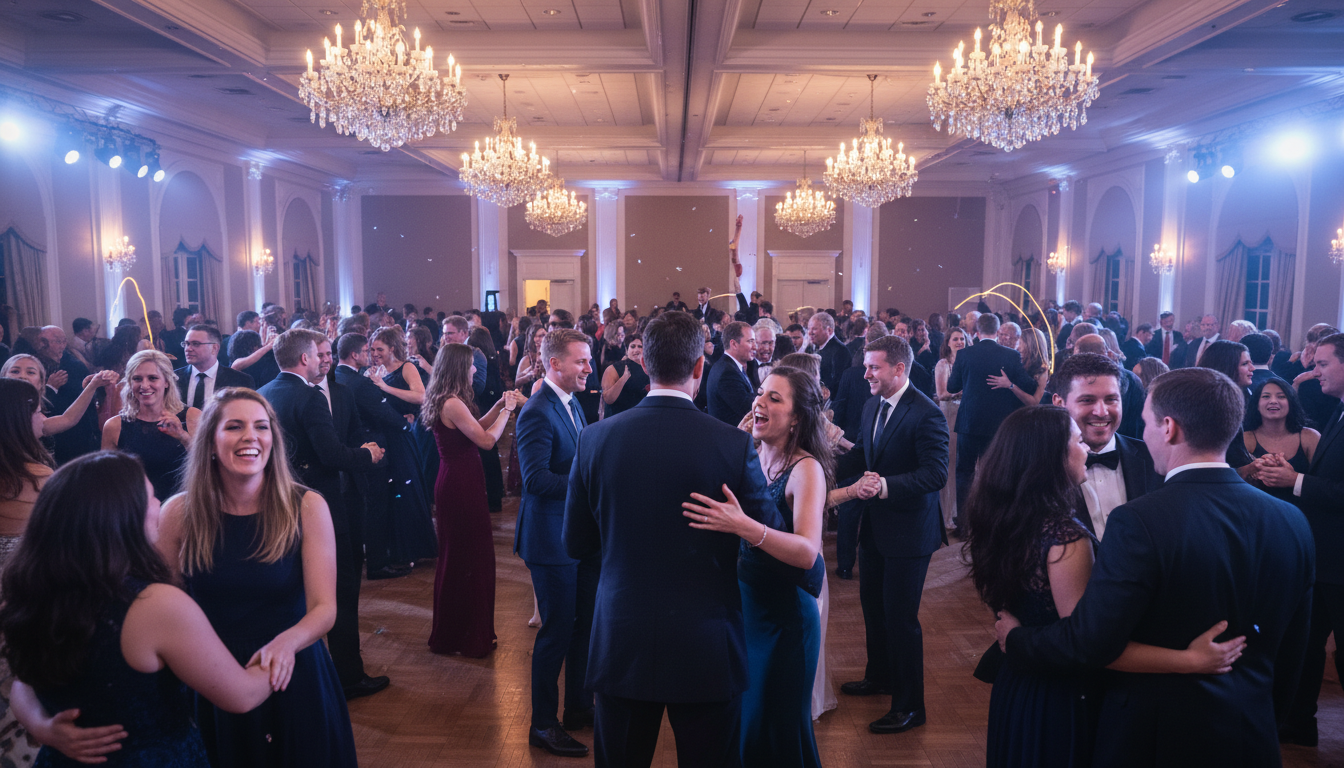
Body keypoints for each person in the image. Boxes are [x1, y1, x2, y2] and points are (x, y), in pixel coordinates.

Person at [997, 367, 1315, 767]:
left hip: (1153, 736)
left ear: (1168, 428)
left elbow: (1092, 641)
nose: (1141, 433)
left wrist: (1018, 639)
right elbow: (1293, 651)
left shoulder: (1138, 521)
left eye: (1144, 422)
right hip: (1252, 732)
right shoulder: (1293, 521)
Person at [563, 310, 784, 767]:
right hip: (706, 638)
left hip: (622, 633)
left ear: (645, 365)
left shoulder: (595, 439)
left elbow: (576, 543)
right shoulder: (732, 444)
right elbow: (768, 535)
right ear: (699, 366)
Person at [966, 405, 1242, 768]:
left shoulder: (1004, 520)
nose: (1086, 448)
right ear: (1050, 457)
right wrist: (1190, 660)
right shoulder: (1064, 537)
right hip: (1060, 696)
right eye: (1078, 440)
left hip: (1019, 685)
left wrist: (1017, 639)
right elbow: (1085, 645)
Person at [2, 451, 278, 767]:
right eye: (149, 498)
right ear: (121, 519)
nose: (159, 504)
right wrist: (288, 649)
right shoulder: (155, 605)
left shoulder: (33, 593)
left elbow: (23, 683)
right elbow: (240, 696)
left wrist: (43, 726)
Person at [154, 388, 359, 766]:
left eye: (261, 427)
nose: (251, 436)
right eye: (235, 426)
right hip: (210, 673)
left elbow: (324, 608)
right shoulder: (179, 513)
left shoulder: (307, 506)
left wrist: (286, 643)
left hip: (291, 669)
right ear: (211, 443)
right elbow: (164, 609)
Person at [686, 365, 830, 766]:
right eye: (760, 392)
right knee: (748, 726)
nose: (759, 402)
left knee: (777, 728)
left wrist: (746, 527)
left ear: (797, 416)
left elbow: (807, 552)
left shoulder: (806, 470)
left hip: (785, 621)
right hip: (746, 613)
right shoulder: (751, 451)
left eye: (774, 398)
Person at [257, 330, 387, 702]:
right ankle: (348, 675)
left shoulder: (266, 392)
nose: (321, 361)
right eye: (317, 355)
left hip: (282, 503)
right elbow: (330, 455)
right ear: (303, 360)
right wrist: (368, 456)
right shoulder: (309, 396)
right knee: (340, 590)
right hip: (320, 505)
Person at [833, 335, 949, 735]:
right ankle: (879, 676)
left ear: (899, 369)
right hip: (876, 528)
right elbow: (862, 454)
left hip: (910, 533)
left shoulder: (926, 413)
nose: (865, 374)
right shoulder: (870, 405)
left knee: (901, 620)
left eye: (873, 367)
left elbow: (936, 474)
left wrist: (882, 486)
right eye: (866, 366)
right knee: (873, 608)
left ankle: (910, 706)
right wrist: (818, 459)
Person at [515, 329, 598, 758]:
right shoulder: (537, 411)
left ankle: (579, 706)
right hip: (549, 541)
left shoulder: (571, 404)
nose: (589, 368)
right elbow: (535, 480)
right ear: (555, 365)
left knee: (582, 625)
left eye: (588, 360)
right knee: (557, 633)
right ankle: (543, 724)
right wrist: (587, 486)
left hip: (572, 537)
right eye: (582, 361)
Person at [421, 343, 523, 657]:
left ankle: (459, 632)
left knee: (464, 558)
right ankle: (465, 636)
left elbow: (475, 427)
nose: (475, 370)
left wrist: (498, 405)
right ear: (458, 368)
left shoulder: (448, 400)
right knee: (469, 559)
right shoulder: (451, 403)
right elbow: (487, 440)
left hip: (460, 482)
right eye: (471, 365)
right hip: (459, 486)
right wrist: (507, 410)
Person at [1276, 333, 1344, 745]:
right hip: (1324, 558)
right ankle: (1298, 724)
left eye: (1322, 364)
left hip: (1341, 562)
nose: (1312, 371)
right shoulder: (1338, 410)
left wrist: (1296, 480)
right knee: (1305, 646)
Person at [333, 333, 419, 580]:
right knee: (376, 507)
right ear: (354, 354)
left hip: (349, 450)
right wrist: (404, 425)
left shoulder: (337, 377)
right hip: (372, 450)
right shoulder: (360, 383)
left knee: (360, 506)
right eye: (366, 350)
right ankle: (378, 563)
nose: (369, 354)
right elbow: (382, 411)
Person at [1049, 353, 1162, 539]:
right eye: (1087, 400)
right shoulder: (1040, 466)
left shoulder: (1154, 459)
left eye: (1111, 399)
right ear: (1059, 403)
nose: (1101, 412)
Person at [0, 380, 54, 764]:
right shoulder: (40, 479)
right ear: (19, 419)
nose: (43, 417)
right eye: (37, 411)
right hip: (25, 612)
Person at [947, 313, 1038, 531]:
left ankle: (965, 525)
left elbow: (951, 387)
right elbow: (1030, 386)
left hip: (969, 422)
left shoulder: (965, 354)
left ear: (976, 333)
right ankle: (992, 521)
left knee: (964, 473)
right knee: (996, 472)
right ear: (997, 332)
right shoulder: (1010, 355)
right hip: (998, 425)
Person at [365, 327, 438, 564]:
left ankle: (412, 547)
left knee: (405, 487)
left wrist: (384, 387)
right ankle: (392, 548)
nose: (375, 353)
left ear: (392, 349)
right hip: (384, 436)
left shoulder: (407, 367)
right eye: (373, 349)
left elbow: (421, 396)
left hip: (403, 436)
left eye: (379, 349)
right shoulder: (377, 370)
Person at [101, 350, 199, 501]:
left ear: (166, 381)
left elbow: (209, 466)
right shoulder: (114, 426)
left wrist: (183, 436)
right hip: (135, 512)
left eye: (153, 378)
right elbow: (107, 481)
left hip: (183, 509)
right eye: (137, 379)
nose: (144, 385)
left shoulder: (193, 417)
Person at [1242, 377, 1319, 503]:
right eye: (1266, 396)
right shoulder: (1245, 439)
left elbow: (1323, 483)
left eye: (1281, 396)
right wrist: (1251, 470)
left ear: (1291, 402)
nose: (1273, 401)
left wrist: (1292, 477)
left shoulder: (1310, 437)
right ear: (1256, 404)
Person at [934, 326, 968, 532]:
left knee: (963, 466)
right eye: (955, 339)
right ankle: (946, 514)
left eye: (962, 339)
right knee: (950, 463)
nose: (959, 342)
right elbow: (941, 393)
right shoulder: (943, 364)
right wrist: (964, 392)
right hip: (949, 417)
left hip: (965, 416)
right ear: (948, 342)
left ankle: (959, 513)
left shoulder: (967, 362)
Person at [176, 324, 255, 409]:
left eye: (195, 344)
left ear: (214, 348)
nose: (188, 349)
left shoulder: (240, 381)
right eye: (186, 344)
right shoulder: (174, 378)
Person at [707, 321, 757, 426]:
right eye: (750, 341)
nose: (755, 347)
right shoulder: (728, 373)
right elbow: (749, 410)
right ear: (734, 344)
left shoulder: (729, 366)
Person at [989, 327, 1049, 407]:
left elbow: (1035, 402)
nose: (1017, 347)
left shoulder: (1042, 370)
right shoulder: (1017, 362)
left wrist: (1011, 386)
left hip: (1026, 414)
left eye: (1020, 343)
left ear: (1030, 345)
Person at [600, 334, 648, 419]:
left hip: (642, 418)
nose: (636, 350)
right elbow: (608, 399)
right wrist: (623, 378)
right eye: (632, 346)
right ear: (626, 349)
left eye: (640, 346)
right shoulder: (613, 369)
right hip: (619, 419)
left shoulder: (650, 369)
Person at [806, 312, 848, 396]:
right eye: (809, 329)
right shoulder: (816, 348)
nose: (810, 332)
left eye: (814, 329)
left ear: (829, 330)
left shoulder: (840, 351)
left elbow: (838, 385)